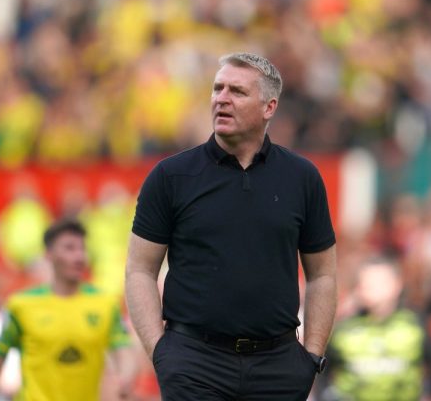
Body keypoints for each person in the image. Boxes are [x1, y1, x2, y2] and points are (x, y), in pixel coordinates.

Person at [126, 52, 338, 400]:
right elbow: (139, 269)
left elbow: (323, 274)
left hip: (278, 366)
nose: (221, 98)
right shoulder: (171, 176)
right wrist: (160, 353)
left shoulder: (302, 178)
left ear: (269, 107)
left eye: (237, 91)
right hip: (194, 363)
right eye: (217, 88)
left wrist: (311, 357)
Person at [0, 219, 135, 401]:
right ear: (49, 255)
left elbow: (123, 351)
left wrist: (125, 378)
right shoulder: (21, 305)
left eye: (82, 249)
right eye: (69, 248)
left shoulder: (104, 304)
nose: (79, 257)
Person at [321, 257, 431, 401]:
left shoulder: (415, 325)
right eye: (365, 282)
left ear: (397, 284)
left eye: (377, 282)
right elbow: (322, 372)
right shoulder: (344, 329)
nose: (369, 287)